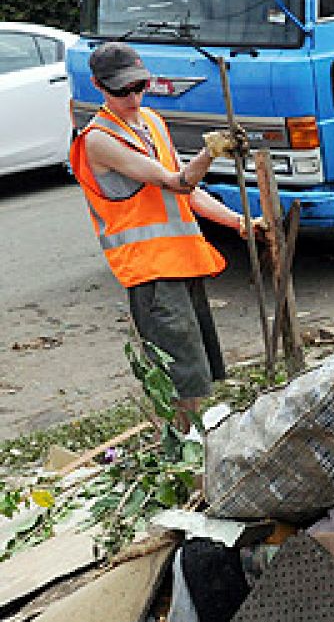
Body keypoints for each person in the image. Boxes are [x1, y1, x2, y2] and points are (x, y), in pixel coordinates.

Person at [69, 42, 259, 428]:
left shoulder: (152, 121)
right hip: (150, 273)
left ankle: (195, 447)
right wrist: (210, 154)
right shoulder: (98, 139)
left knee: (199, 371)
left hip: (182, 261)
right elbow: (178, 182)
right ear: (98, 86)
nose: (132, 97)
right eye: (121, 90)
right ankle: (183, 457)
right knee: (179, 381)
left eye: (139, 86)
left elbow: (191, 197)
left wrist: (239, 221)